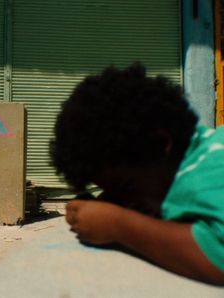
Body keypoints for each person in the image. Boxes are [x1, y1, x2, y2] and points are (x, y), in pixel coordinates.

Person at [50, 64, 224, 285]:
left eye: (126, 188)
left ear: (160, 144)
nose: (129, 204)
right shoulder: (189, 159)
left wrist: (119, 225)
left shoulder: (211, 170)